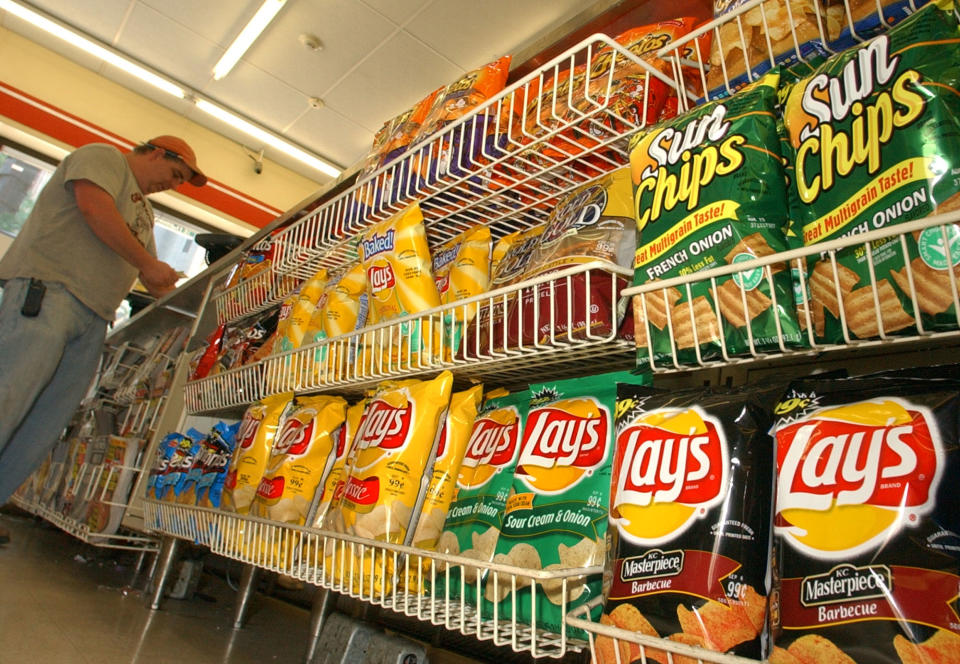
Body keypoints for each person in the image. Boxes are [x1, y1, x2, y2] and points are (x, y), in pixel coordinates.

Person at [0, 136, 207, 537]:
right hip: (51, 291)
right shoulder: (103, 157)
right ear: (155, 153)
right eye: (174, 174)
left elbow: (149, 277)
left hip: (93, 317)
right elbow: (93, 208)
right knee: (9, 394)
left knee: (45, 420)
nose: (174, 185)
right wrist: (149, 262)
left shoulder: (143, 211)